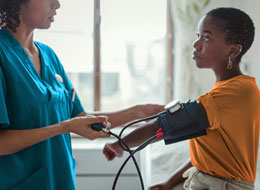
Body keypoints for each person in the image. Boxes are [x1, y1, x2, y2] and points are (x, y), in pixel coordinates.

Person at [0, 0, 164, 189]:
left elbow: (80, 119)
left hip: (60, 180)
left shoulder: (48, 55)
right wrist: (64, 127)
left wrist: (136, 113)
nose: (57, 4)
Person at [103, 7, 260, 190]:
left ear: (233, 50)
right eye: (198, 35)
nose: (196, 44)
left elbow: (162, 126)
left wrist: (120, 145)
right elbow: (207, 158)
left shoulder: (234, 94)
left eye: (206, 38)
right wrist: (169, 183)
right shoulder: (235, 90)